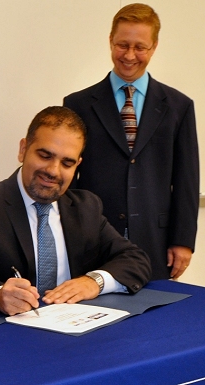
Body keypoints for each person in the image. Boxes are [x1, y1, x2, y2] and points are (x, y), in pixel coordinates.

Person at [0, 106, 151, 315]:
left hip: (75, 331)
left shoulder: (86, 207)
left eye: (67, 163)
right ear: (23, 150)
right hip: (5, 338)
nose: (53, 171)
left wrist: (94, 282)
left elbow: (135, 259)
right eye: (45, 156)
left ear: (77, 165)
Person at [63, 3, 199, 280]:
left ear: (154, 46)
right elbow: (68, 177)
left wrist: (183, 240)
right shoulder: (77, 104)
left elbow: (187, 179)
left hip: (155, 241)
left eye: (140, 47)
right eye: (122, 45)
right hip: (92, 240)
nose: (130, 55)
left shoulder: (179, 106)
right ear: (110, 40)